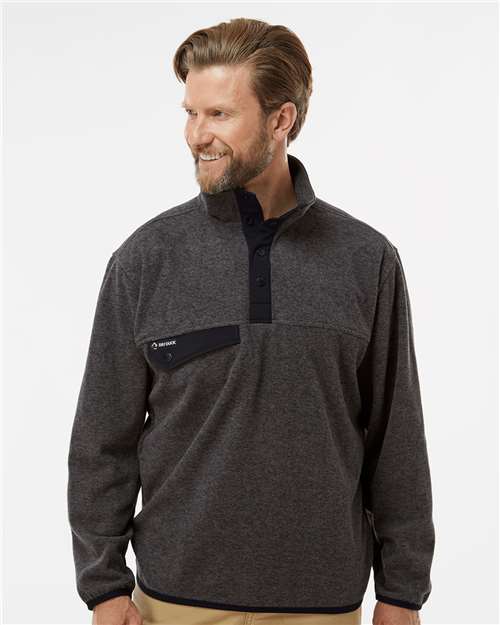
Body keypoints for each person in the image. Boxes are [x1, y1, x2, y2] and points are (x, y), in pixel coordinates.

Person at [67, 17, 435, 625]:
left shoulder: (366, 260)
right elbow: (101, 441)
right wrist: (103, 587)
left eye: (219, 114)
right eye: (191, 113)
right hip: (173, 603)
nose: (197, 135)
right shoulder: (144, 259)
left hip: (323, 606)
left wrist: (402, 592)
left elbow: (397, 437)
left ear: (280, 119)